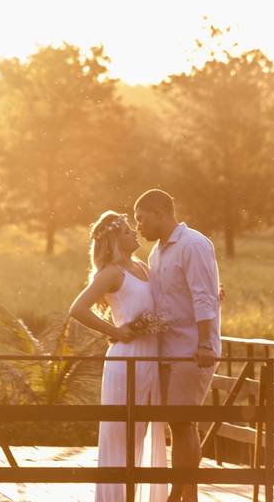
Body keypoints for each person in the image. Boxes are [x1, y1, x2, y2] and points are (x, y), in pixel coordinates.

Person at [70, 210, 168, 502]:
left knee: (144, 429)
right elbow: (77, 309)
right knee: (121, 433)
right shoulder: (113, 273)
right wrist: (117, 329)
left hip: (150, 356)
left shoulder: (143, 267)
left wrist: (211, 294)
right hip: (126, 358)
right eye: (127, 231)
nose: (134, 233)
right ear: (115, 240)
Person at [134, 189, 220, 502]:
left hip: (192, 350)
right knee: (179, 423)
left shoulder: (193, 244)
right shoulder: (156, 253)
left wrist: (205, 344)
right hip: (166, 350)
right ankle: (189, 497)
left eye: (141, 219)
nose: (139, 227)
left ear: (159, 213)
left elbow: (203, 295)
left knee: (182, 422)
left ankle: (177, 496)